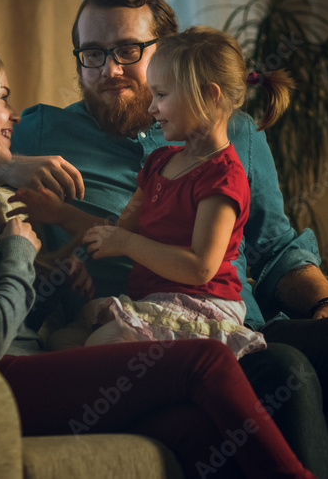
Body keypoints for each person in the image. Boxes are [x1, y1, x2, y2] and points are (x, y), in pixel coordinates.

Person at [2, 0, 328, 479]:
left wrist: (326, 303)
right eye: (92, 53)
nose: (109, 70)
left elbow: (275, 249)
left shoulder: (236, 132)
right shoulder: (42, 130)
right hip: (153, 340)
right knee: (284, 371)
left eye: (127, 50)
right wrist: (7, 167)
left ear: (170, 52)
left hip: (243, 323)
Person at [0, 43, 315, 479]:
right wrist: (19, 248)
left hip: (24, 363)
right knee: (206, 361)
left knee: (194, 431)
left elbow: (8, 313)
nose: (13, 115)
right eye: (2, 98)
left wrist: (54, 284)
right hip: (2, 378)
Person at [15, 26, 293, 359]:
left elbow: (200, 267)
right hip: (157, 303)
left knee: (102, 344)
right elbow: (119, 231)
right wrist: (60, 213)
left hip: (203, 305)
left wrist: (127, 245)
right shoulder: (161, 162)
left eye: (161, 95)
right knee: (63, 340)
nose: (151, 109)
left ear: (209, 95)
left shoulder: (223, 176)